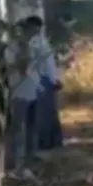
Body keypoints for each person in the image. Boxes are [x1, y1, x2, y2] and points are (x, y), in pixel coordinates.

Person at [3, 18, 42, 175]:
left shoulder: (33, 46)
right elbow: (21, 68)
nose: (29, 34)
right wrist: (24, 53)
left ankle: (29, 160)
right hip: (18, 93)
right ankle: (14, 163)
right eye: (26, 30)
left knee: (32, 127)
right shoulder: (11, 49)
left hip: (32, 91)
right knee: (17, 129)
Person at [23, 15, 64, 151]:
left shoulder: (38, 42)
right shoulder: (36, 42)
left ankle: (46, 142)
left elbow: (48, 64)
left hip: (42, 80)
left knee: (45, 113)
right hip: (41, 81)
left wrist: (54, 79)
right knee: (44, 113)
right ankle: (46, 142)